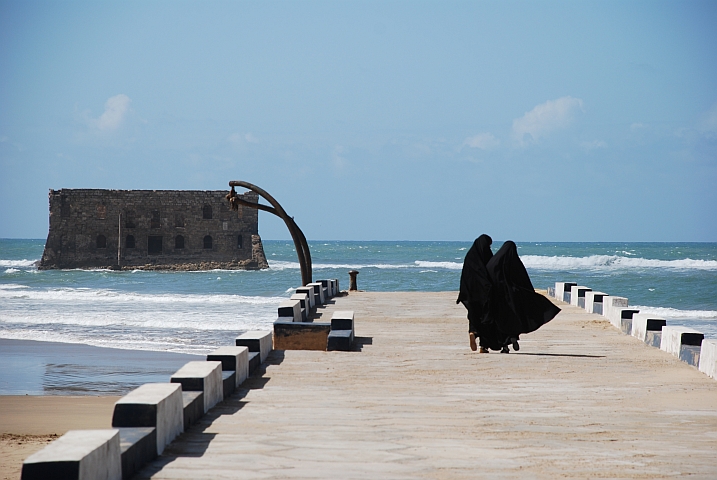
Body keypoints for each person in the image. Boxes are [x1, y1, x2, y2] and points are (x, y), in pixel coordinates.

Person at [458, 236, 561, 353]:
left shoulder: (477, 259)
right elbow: (521, 279)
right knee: (504, 318)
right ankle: (506, 343)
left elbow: (467, 278)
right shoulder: (505, 261)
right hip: (500, 298)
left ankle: (479, 339)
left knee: (478, 318)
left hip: (474, 295)